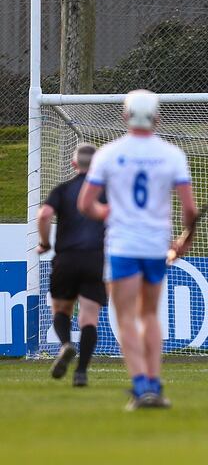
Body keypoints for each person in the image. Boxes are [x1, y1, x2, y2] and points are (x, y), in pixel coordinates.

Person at [78, 89, 197, 410]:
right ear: (157, 117)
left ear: (125, 116)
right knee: (150, 314)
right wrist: (186, 237)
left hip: (123, 246)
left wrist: (109, 213)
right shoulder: (172, 154)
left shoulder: (109, 153)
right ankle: (155, 385)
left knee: (126, 316)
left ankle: (141, 385)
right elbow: (189, 210)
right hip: (156, 244)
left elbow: (86, 203)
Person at [36, 143, 105, 387]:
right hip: (95, 258)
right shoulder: (106, 192)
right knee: (89, 318)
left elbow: (44, 215)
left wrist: (44, 243)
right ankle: (81, 372)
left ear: (73, 164)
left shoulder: (62, 189)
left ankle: (65, 344)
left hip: (66, 258)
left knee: (61, 310)